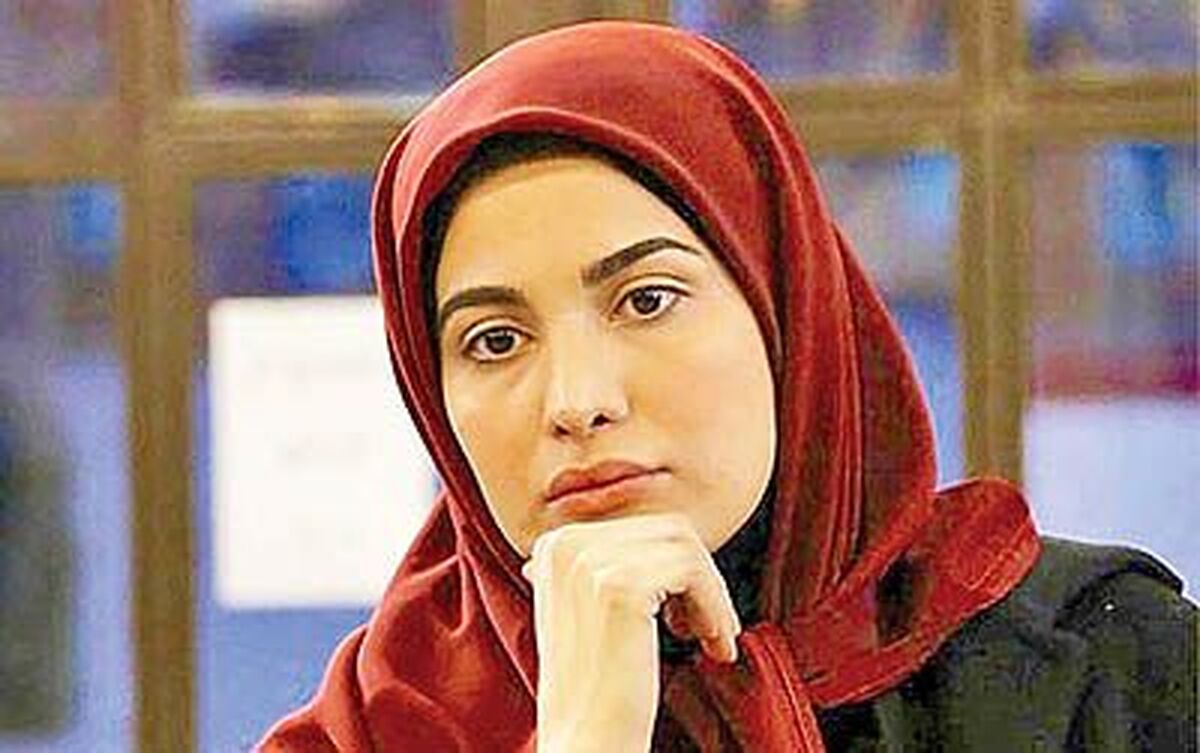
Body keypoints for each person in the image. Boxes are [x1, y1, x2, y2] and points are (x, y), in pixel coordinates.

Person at [258, 21, 1196, 752]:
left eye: (646, 299)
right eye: (495, 340)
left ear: (784, 310)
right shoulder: (381, 724)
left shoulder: (1105, 675)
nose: (577, 400)